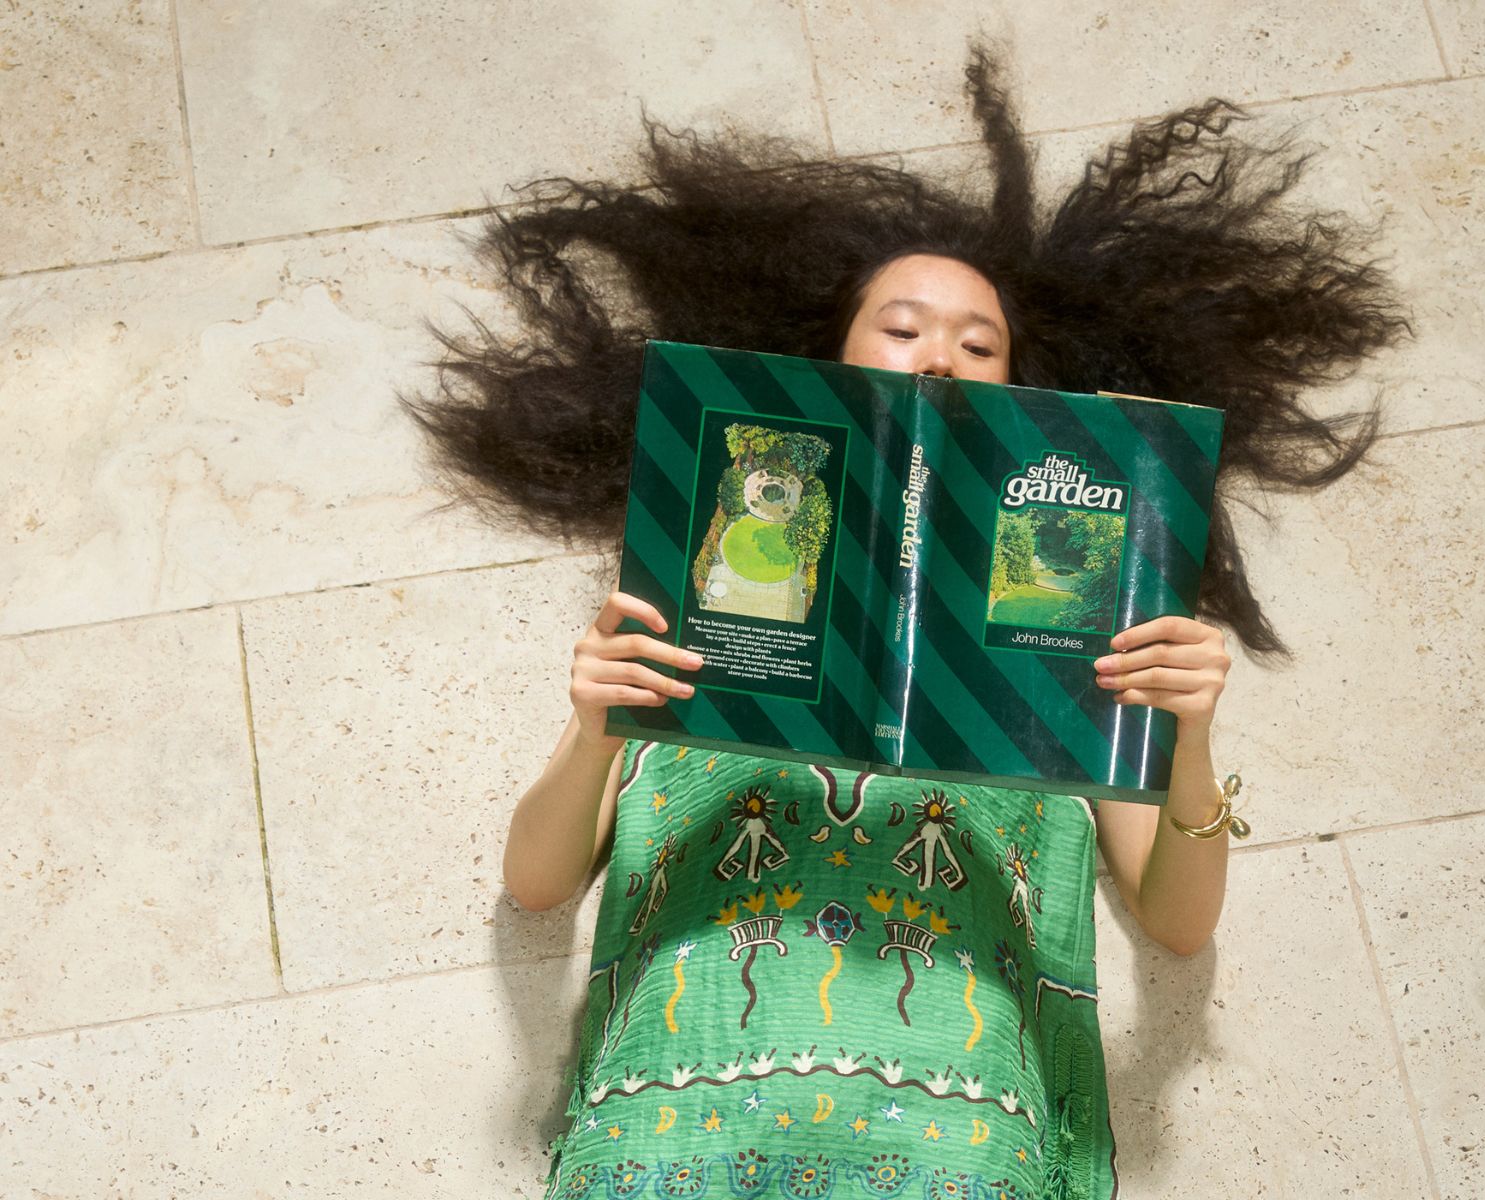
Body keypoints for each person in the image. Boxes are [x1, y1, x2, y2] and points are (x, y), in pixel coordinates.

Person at [398, 38, 1413, 1200]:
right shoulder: (699, 575)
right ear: (829, 356)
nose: (940, 353)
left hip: (959, 1154)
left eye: (980, 345)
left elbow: (1180, 925)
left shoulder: (1081, 627)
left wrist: (1189, 740)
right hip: (672, 1144)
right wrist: (593, 731)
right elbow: (536, 886)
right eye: (903, 327)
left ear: (1019, 391)